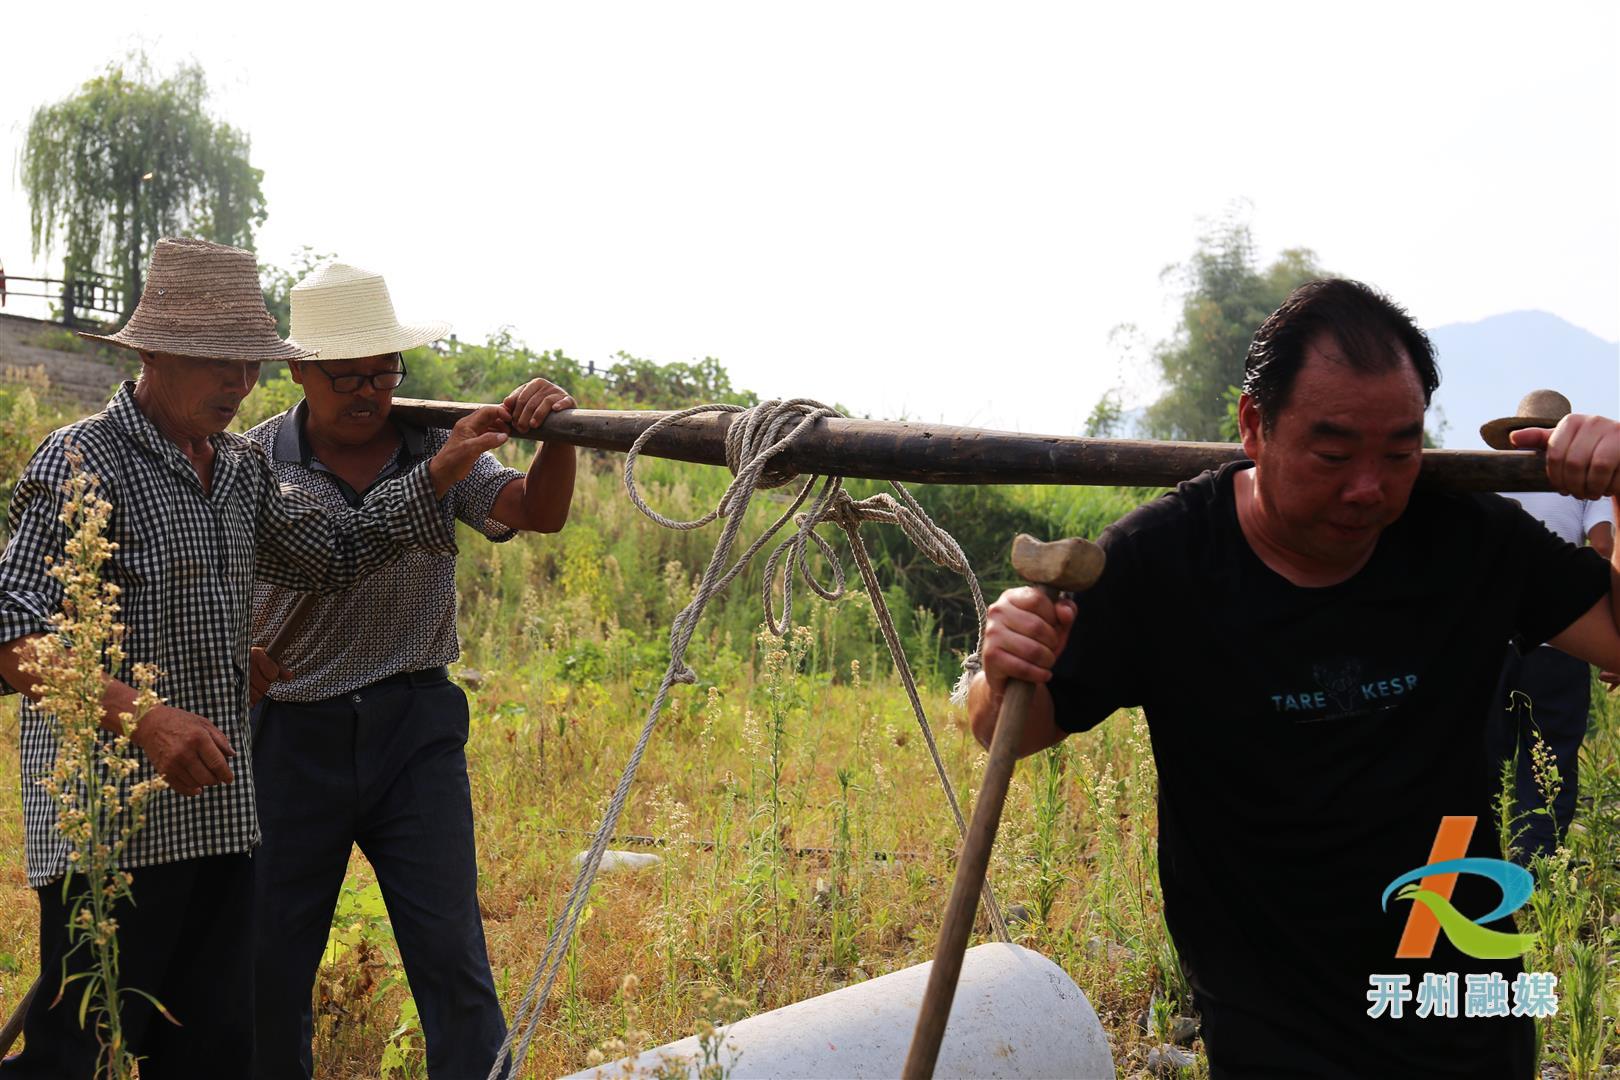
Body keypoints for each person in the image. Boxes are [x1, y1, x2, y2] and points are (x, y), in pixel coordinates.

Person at [969, 279, 1620, 1078]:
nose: (1369, 489)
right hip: (1269, 1000)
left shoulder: (1468, 539)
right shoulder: (1164, 561)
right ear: (1254, 424)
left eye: (1401, 451)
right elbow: (1014, 725)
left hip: (1452, 973)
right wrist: (1006, 664)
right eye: (1333, 453)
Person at [0, 238, 515, 1076]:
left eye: (249, 362)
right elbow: (11, 628)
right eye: (219, 362)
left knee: (215, 1052)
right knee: (81, 1055)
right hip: (114, 830)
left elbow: (337, 551)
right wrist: (145, 718)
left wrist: (436, 477)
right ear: (155, 353)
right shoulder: (78, 460)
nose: (240, 384)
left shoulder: (237, 469)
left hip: (223, 820)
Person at [243, 261, 576, 1079]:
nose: (366, 393)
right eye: (344, 376)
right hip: (290, 734)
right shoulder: (255, 464)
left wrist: (559, 433)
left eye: (382, 373)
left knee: (452, 957)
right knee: (271, 964)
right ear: (298, 372)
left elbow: (539, 510)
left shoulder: (438, 448)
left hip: (413, 729)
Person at [1481, 389, 1615, 861]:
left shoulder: (1489, 480)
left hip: (1495, 633)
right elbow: (1602, 546)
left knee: (1489, 751)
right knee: (1550, 753)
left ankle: (1485, 858)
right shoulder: (1586, 483)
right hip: (1564, 634)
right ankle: (1534, 861)